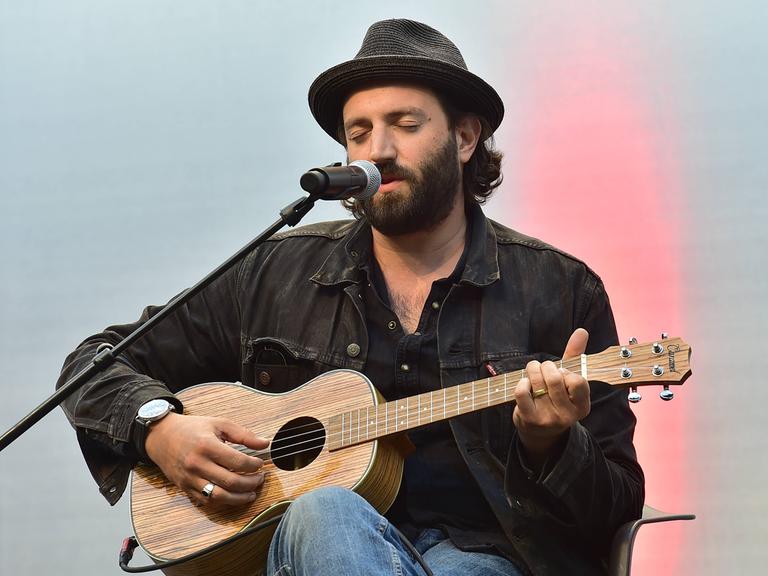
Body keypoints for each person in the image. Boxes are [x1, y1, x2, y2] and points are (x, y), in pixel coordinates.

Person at [58, 19, 644, 576]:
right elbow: (92, 365)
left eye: (405, 125)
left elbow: (616, 509)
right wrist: (161, 430)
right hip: (299, 550)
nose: (377, 150)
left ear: (465, 139)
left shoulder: (560, 290)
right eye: (358, 133)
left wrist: (552, 444)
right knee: (326, 512)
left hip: (488, 559)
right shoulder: (272, 271)